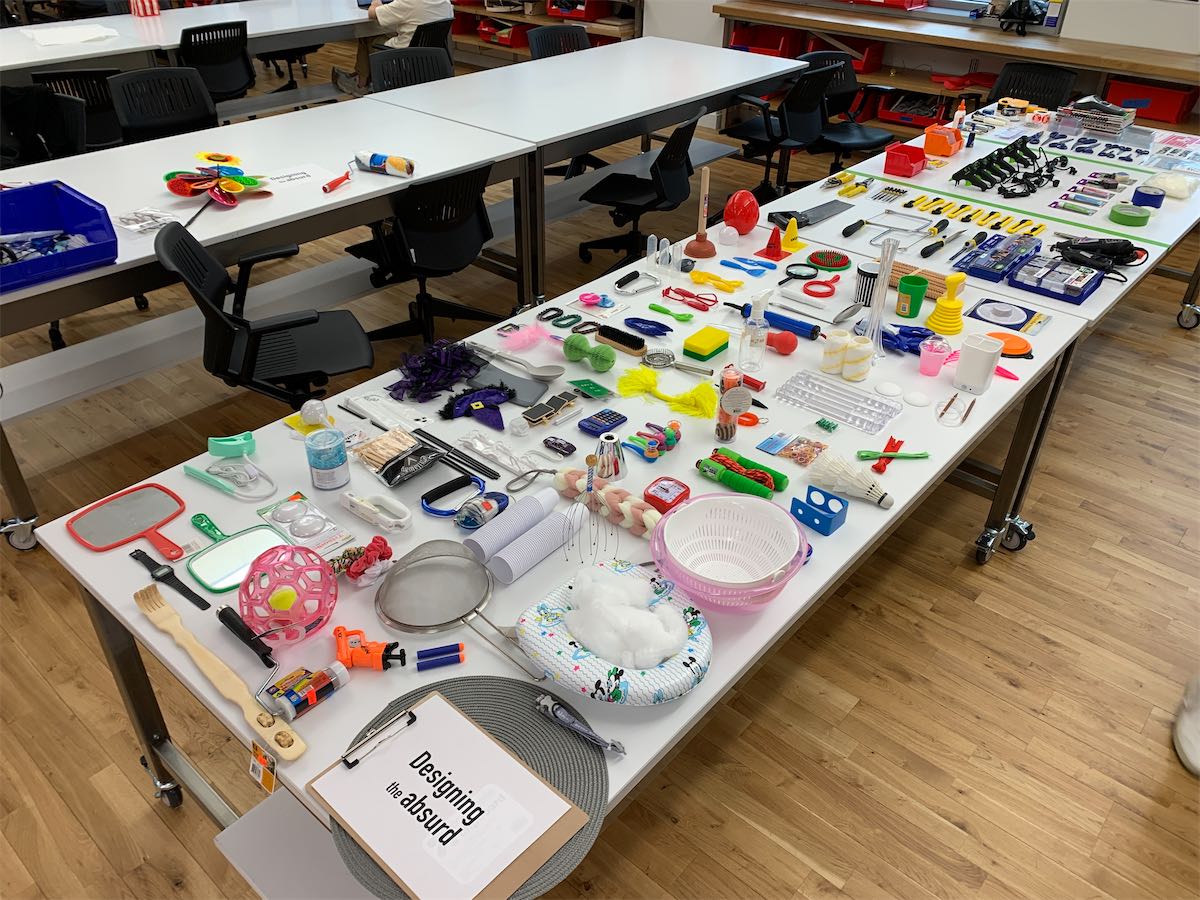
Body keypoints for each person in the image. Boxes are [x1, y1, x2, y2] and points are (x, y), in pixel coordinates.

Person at [332, 0, 453, 95]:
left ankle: (360, 84)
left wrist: (375, 3)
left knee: (367, 35)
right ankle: (365, 81)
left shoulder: (408, 2)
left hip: (400, 60)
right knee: (389, 33)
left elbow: (372, 13)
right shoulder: (445, 3)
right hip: (432, 62)